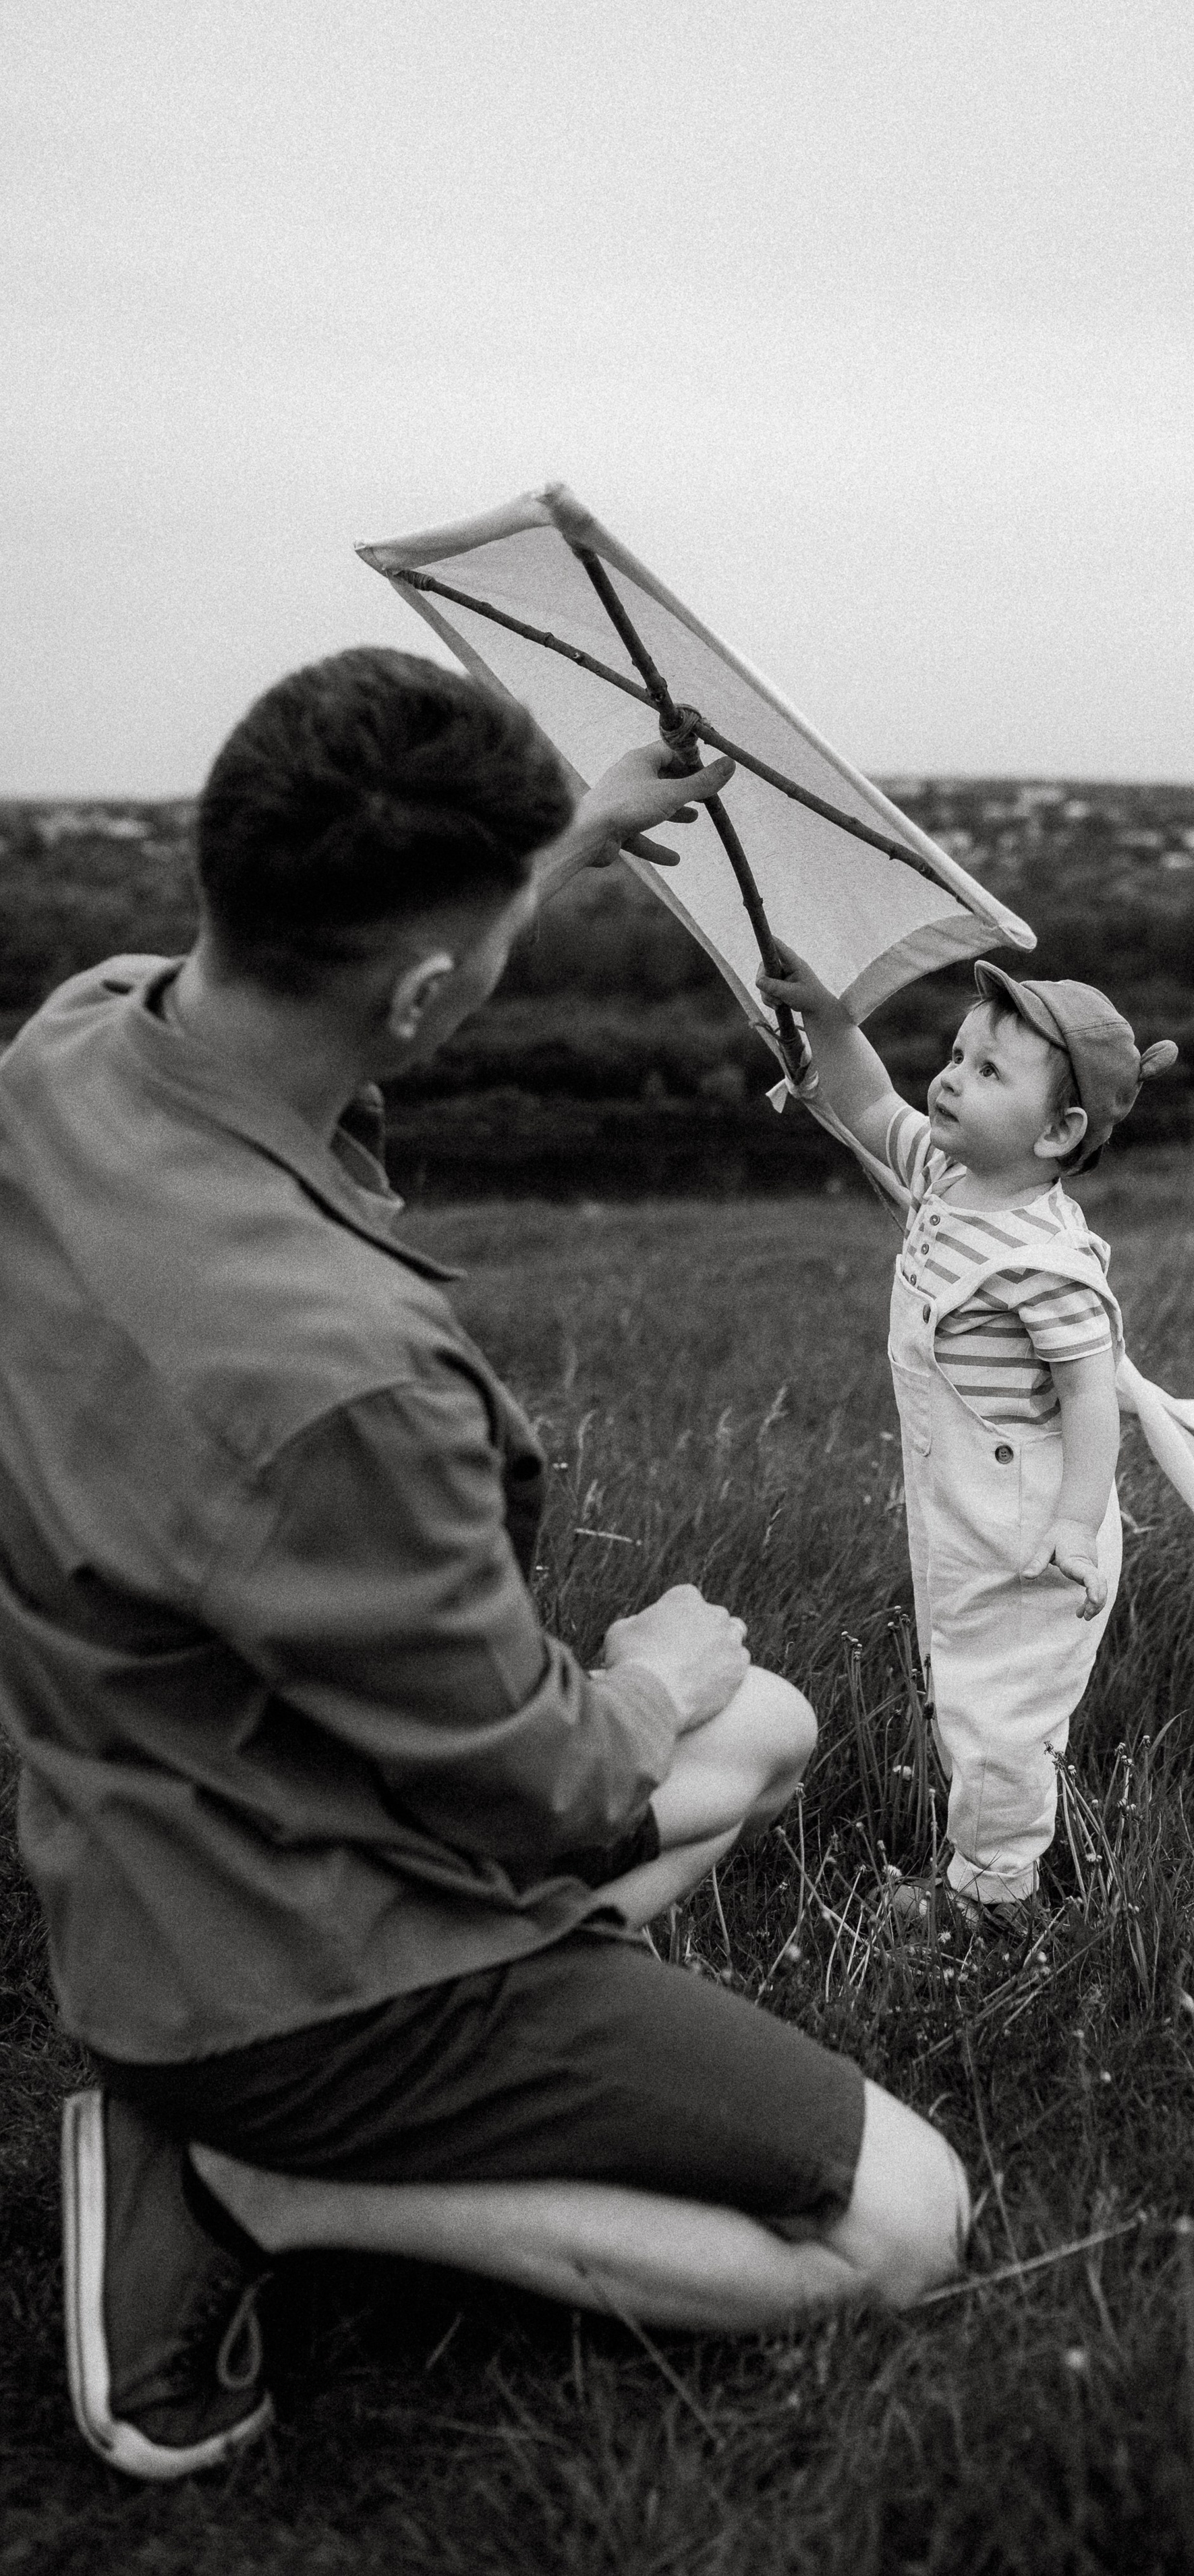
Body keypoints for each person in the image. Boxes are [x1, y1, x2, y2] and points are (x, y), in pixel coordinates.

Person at [0, 649, 970, 2486]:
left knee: (772, 1724)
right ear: (424, 992)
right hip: (297, 1966)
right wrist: (653, 1680)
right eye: (489, 939)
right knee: (905, 2222)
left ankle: (312, 2118)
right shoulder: (339, 1382)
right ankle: (255, 2184)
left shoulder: (73, 1046)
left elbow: (361, 982)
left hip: (165, 1837)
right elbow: (539, 1788)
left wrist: (573, 836)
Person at [754, 942, 1176, 1934]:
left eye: (989, 1072)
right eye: (956, 1055)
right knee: (966, 1688)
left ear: (1059, 1131)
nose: (948, 1078)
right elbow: (867, 1100)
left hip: (1031, 1530)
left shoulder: (1047, 1262)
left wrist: (1075, 1526)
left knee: (999, 1716)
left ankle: (992, 1900)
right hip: (964, 1506)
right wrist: (828, 1017)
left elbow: (1090, 1400)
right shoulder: (945, 1172)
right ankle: (1000, 1846)